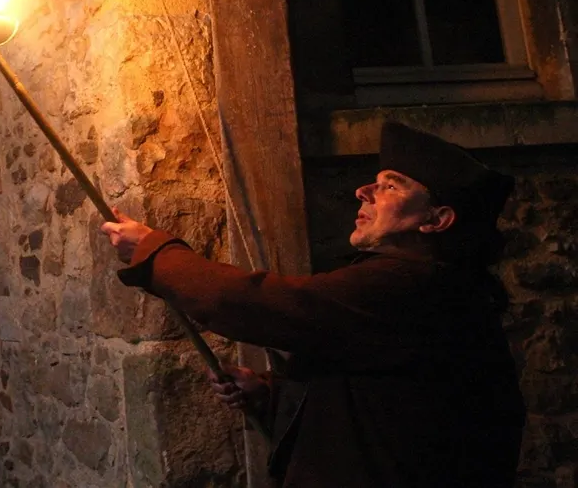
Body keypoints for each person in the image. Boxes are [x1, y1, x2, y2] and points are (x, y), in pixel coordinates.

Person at [99, 121, 525, 487]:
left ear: (436, 220)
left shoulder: (415, 288)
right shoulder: (424, 284)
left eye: (390, 186)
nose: (364, 191)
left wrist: (155, 252)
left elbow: (252, 304)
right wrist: (271, 394)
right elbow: (378, 403)